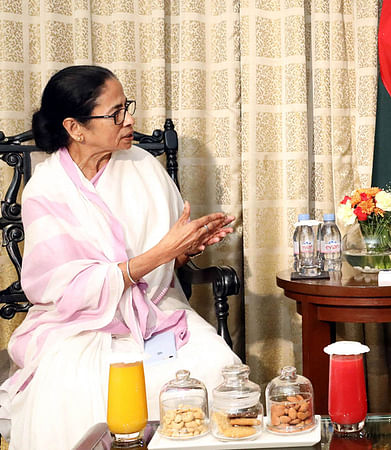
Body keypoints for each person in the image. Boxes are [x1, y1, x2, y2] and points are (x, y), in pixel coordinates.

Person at [0, 66, 240, 449]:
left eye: (126, 106)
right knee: (75, 391)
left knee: (216, 368)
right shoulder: (46, 190)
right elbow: (65, 291)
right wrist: (164, 250)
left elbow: (165, 268)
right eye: (115, 114)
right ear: (76, 128)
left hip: (157, 309)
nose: (130, 120)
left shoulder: (142, 165)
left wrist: (186, 249)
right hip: (78, 325)